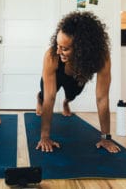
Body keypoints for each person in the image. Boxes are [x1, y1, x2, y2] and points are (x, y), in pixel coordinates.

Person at [36, 11, 121, 153]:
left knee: (73, 94)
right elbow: (50, 98)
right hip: (57, 74)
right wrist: (45, 137)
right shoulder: (52, 56)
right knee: (45, 94)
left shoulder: (101, 57)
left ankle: (66, 102)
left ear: (83, 49)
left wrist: (106, 138)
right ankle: (38, 98)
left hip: (77, 75)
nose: (58, 51)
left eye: (64, 48)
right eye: (57, 45)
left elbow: (102, 99)